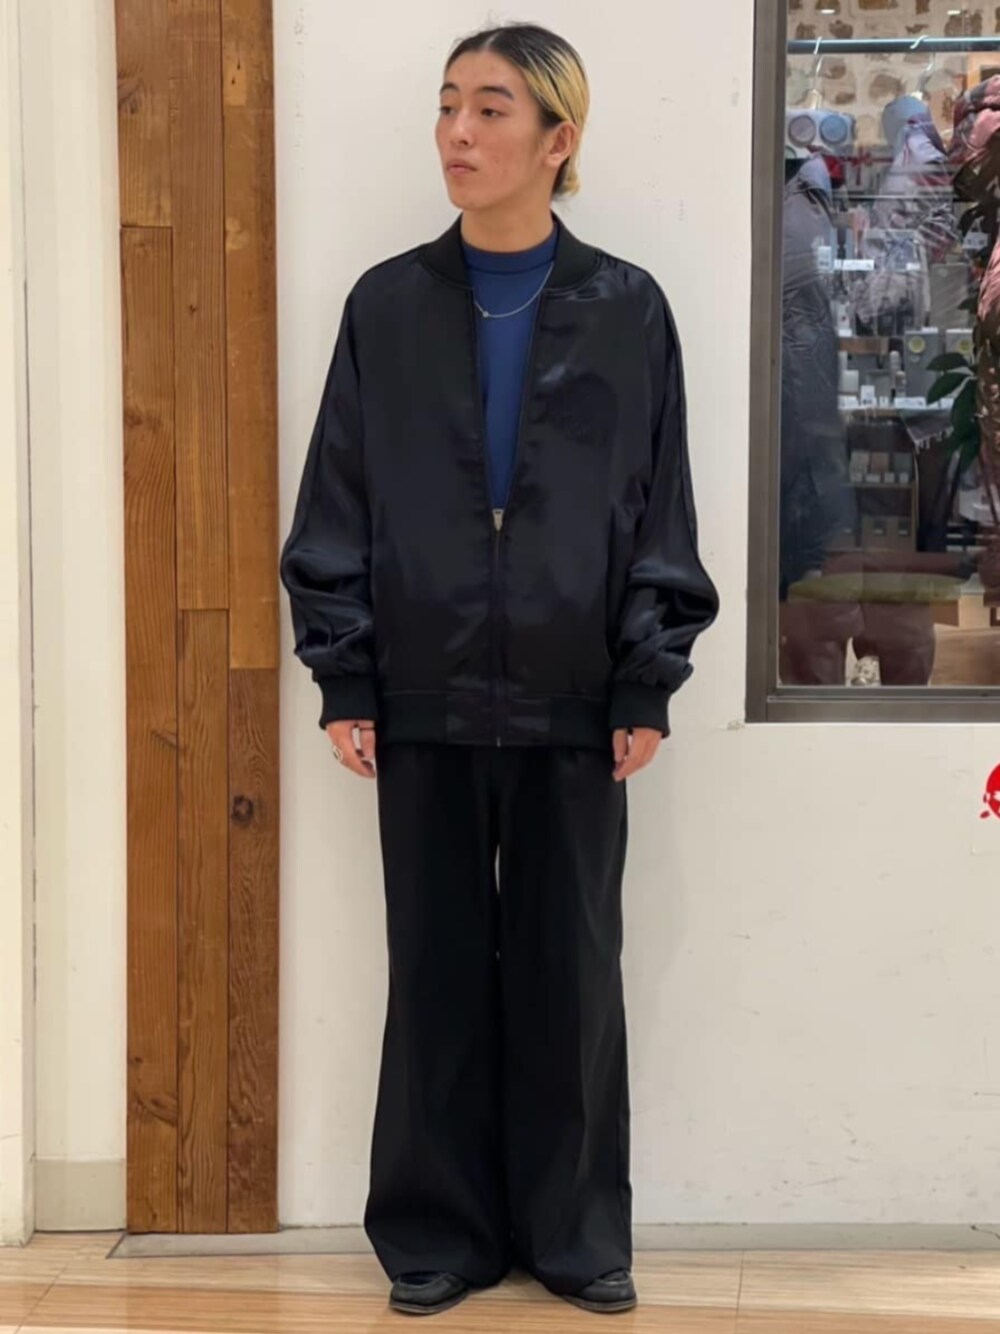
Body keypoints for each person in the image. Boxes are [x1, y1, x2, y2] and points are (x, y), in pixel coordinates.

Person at [279, 21, 719, 1318]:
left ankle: (575, 1235)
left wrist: (645, 676)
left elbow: (659, 506)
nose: (458, 134)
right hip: (420, 690)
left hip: (576, 698)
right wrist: (347, 673)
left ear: (557, 138)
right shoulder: (387, 307)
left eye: (490, 110)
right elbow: (339, 498)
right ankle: (437, 1234)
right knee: (434, 973)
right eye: (447, 106)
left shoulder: (628, 310)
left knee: (570, 973)